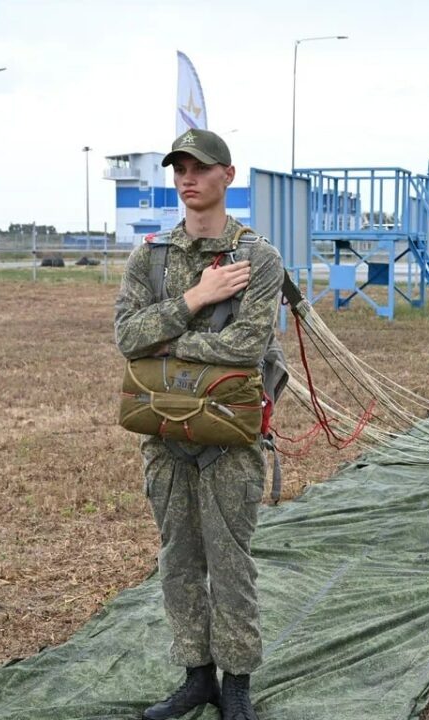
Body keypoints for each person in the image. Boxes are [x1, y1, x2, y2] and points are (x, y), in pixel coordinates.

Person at [114, 128, 284, 720]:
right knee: (179, 559)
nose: (188, 178)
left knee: (230, 561)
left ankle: (236, 683)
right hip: (164, 437)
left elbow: (248, 345)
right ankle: (196, 676)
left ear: (227, 176)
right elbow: (126, 338)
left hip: (228, 440)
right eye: (179, 168)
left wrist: (171, 344)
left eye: (200, 167)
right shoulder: (151, 255)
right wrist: (195, 300)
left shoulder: (256, 258)